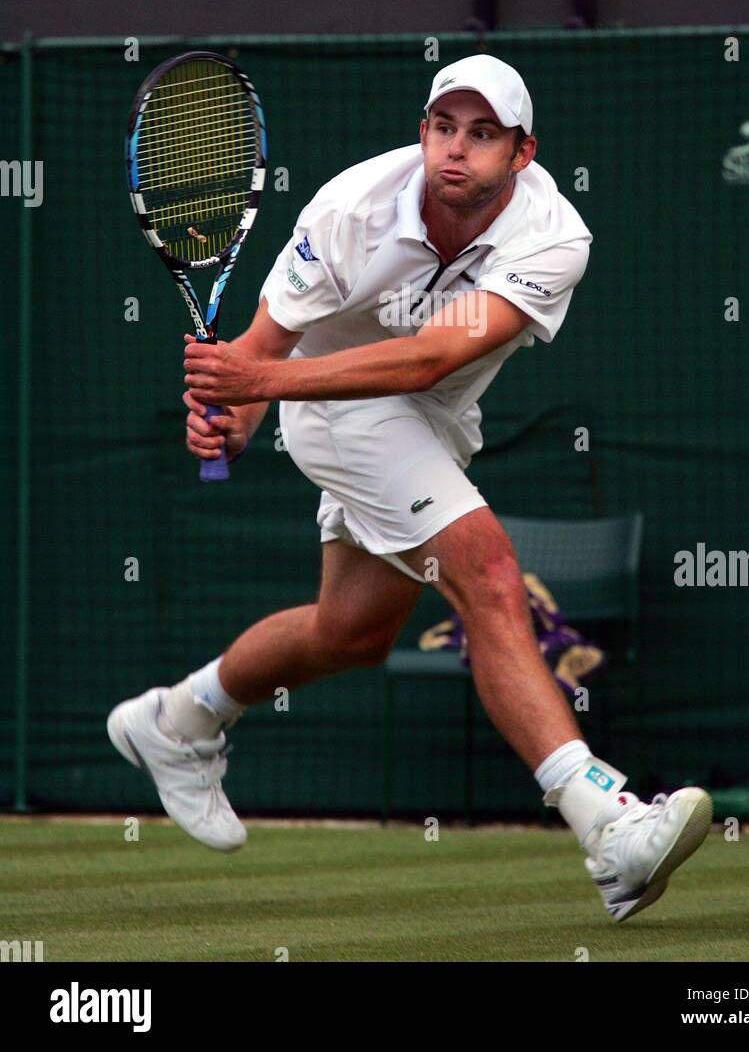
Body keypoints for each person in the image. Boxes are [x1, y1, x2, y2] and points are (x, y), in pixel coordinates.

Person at [108, 53, 711, 923]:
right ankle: (607, 825)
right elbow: (262, 352)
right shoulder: (349, 207)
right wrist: (232, 414)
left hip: (431, 422)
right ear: (422, 130)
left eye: (482, 134)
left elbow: (433, 357)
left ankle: (181, 717)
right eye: (441, 127)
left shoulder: (555, 235)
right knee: (490, 574)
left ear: (523, 152)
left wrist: (249, 397)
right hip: (334, 412)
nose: (454, 150)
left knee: (349, 632)